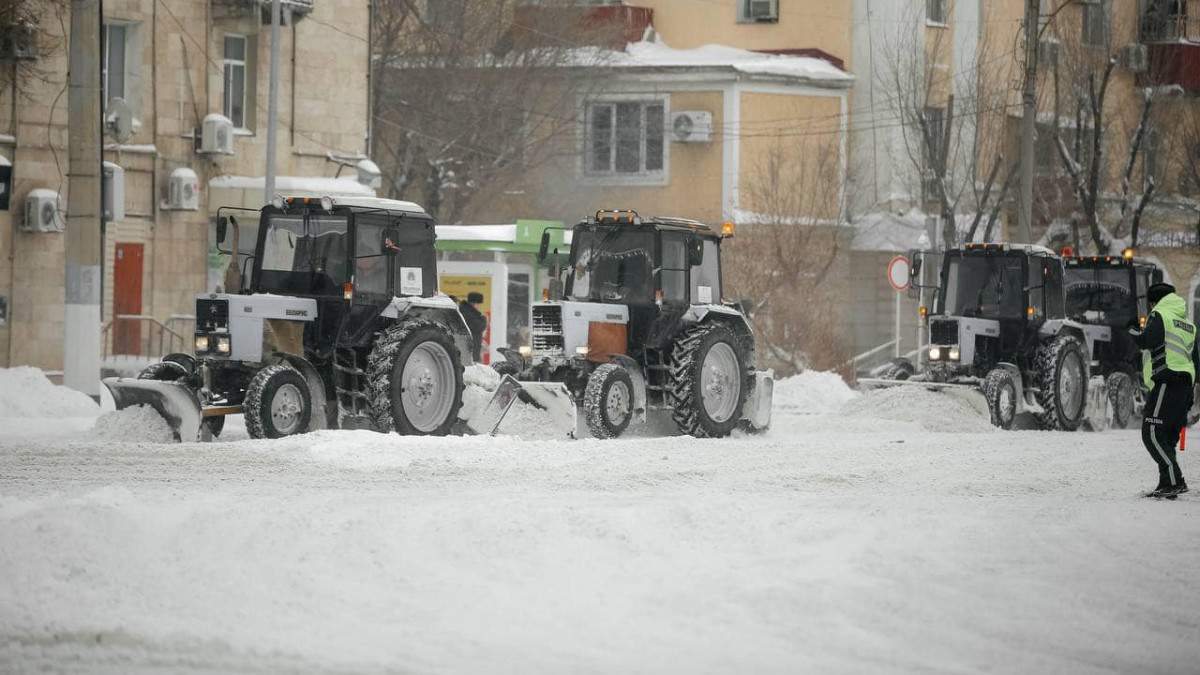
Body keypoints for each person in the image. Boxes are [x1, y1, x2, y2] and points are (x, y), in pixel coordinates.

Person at [1129, 283, 1199, 498]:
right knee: (1166, 436)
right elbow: (1196, 359)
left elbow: (1146, 340)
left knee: (1151, 432)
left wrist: (1131, 328)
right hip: (1185, 384)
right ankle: (1168, 482)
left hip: (1168, 381)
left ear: (1153, 301)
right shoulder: (1187, 323)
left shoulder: (1160, 314)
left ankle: (1174, 481)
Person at [459, 292, 488, 362]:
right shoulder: (468, 313)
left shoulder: (466, 311)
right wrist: (483, 318)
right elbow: (480, 325)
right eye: (478, 304)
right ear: (474, 303)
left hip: (469, 351)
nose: (479, 306)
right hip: (470, 352)